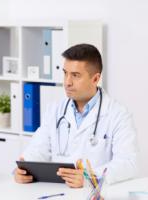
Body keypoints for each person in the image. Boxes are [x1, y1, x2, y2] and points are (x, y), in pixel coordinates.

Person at [14, 44, 138, 187]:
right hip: (59, 192)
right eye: (65, 73)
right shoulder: (55, 110)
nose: (67, 82)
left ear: (95, 79)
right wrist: (24, 169)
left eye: (75, 75)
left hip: (95, 193)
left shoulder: (118, 114)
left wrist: (89, 177)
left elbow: (129, 163)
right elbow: (38, 148)